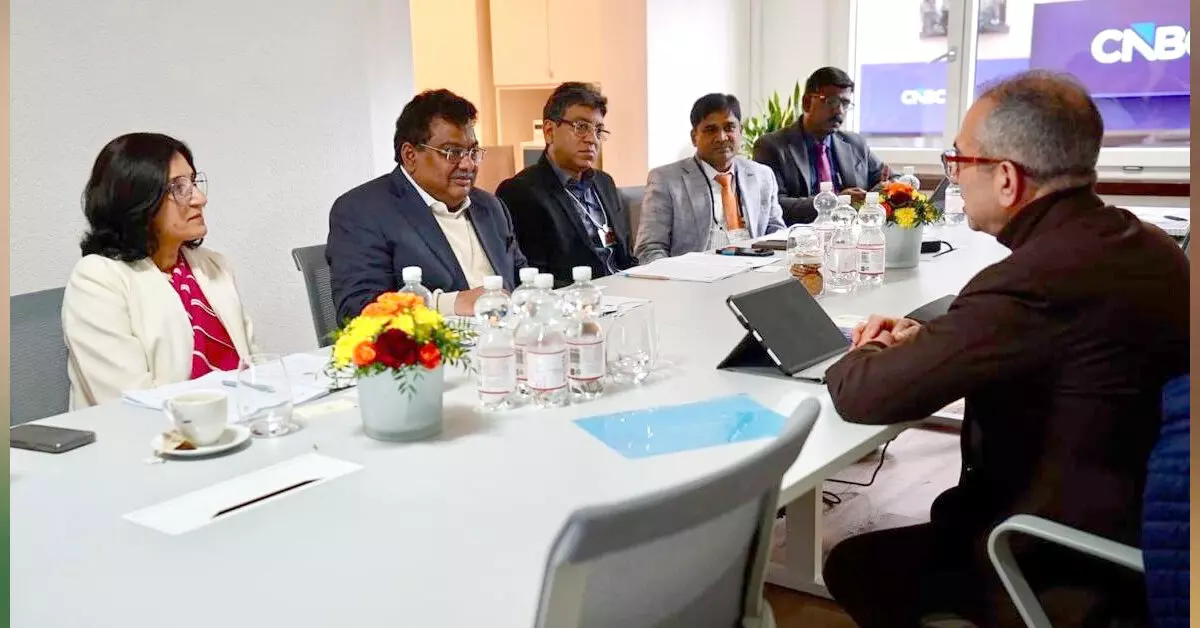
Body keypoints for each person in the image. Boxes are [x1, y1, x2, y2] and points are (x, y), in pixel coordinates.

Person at [821, 71, 1188, 627]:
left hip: (1057, 560)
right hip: (1132, 521)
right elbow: (1056, 345)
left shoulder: (1032, 281)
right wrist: (938, 338)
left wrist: (866, 348)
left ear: (1008, 179)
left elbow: (862, 395)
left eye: (958, 160)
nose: (954, 175)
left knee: (854, 565)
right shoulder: (1150, 245)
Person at [62, 133, 259, 409]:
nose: (200, 199)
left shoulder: (213, 265)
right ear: (137, 200)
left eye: (193, 183)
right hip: (152, 432)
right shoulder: (97, 279)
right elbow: (129, 402)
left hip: (241, 421)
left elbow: (254, 366)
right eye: (179, 188)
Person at [327, 89, 528, 322]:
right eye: (452, 152)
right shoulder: (362, 210)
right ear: (410, 155)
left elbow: (523, 283)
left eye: (473, 152)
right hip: (437, 342)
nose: (468, 164)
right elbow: (357, 309)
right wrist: (450, 303)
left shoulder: (491, 207)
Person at [495, 82, 636, 286]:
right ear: (549, 131)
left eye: (598, 130)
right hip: (576, 298)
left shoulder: (604, 182)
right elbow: (534, 277)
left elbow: (625, 257)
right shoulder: (521, 191)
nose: (592, 139)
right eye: (581, 127)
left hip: (625, 291)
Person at [635, 93, 786, 263]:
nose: (721, 138)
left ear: (741, 132)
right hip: (692, 274)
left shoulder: (762, 175)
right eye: (710, 130)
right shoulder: (666, 180)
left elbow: (777, 235)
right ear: (694, 137)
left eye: (729, 128)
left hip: (754, 269)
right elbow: (650, 248)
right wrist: (673, 276)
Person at [752, 67, 891, 225]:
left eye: (845, 103)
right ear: (807, 103)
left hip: (853, 232)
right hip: (800, 235)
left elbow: (890, 179)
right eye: (831, 101)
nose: (839, 111)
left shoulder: (855, 143)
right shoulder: (772, 147)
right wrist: (834, 202)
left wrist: (884, 188)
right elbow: (774, 205)